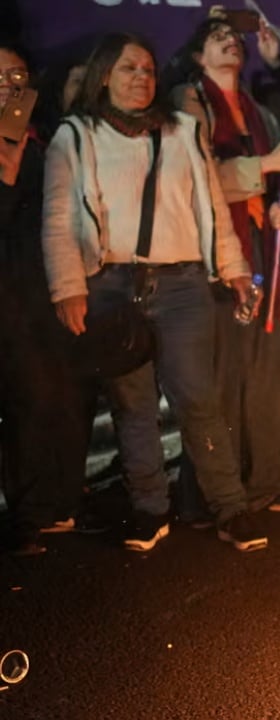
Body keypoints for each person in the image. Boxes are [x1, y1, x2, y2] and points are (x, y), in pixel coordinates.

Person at [43, 33, 280, 552]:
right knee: (133, 404)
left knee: (199, 399)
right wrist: (68, 287)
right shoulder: (77, 135)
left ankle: (230, 508)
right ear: (104, 74)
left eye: (149, 70)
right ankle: (149, 510)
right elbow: (58, 222)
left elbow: (212, 210)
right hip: (110, 285)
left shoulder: (183, 132)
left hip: (182, 285)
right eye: (129, 68)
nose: (141, 78)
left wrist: (235, 268)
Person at [172, 16, 280, 517]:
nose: (231, 42)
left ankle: (272, 477)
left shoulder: (256, 110)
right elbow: (197, 178)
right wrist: (265, 167)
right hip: (215, 252)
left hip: (259, 246)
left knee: (268, 367)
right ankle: (214, 493)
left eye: (234, 36)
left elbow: (263, 184)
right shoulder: (190, 102)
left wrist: (274, 211)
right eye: (216, 37)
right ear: (196, 55)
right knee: (223, 372)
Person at [0, 42, 100, 555]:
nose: (11, 88)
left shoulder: (45, 142)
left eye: (18, 76)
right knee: (23, 401)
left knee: (49, 397)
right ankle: (28, 512)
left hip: (41, 293)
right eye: (0, 80)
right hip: (7, 297)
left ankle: (48, 507)